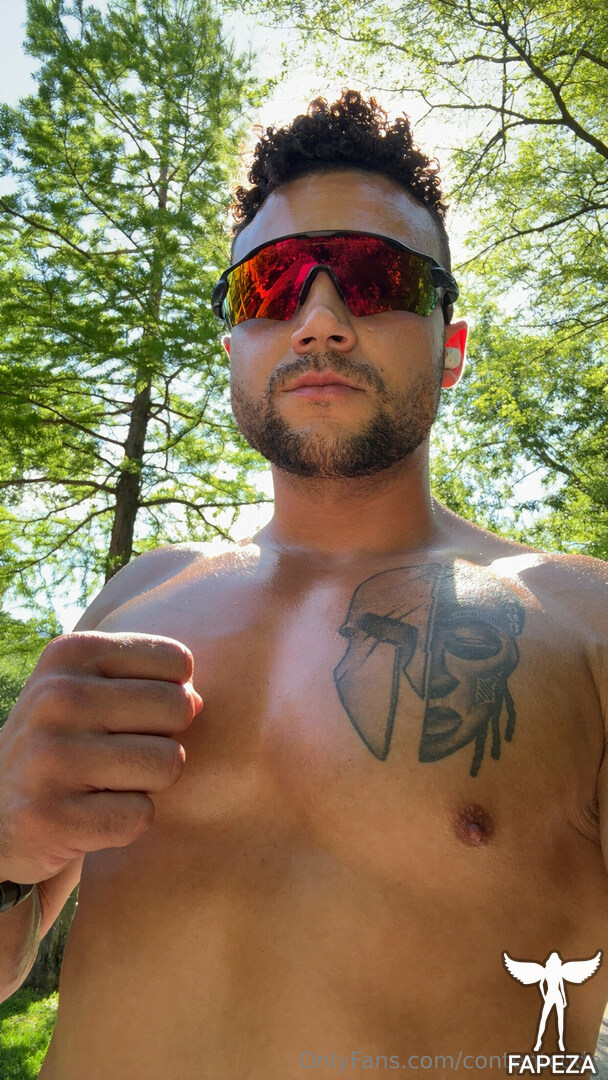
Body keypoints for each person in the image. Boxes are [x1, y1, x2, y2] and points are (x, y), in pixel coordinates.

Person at [0, 90, 606, 1079]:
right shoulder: (133, 601)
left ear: (451, 349)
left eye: (374, 277)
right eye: (270, 285)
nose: (319, 321)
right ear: (233, 344)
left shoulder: (586, 624)